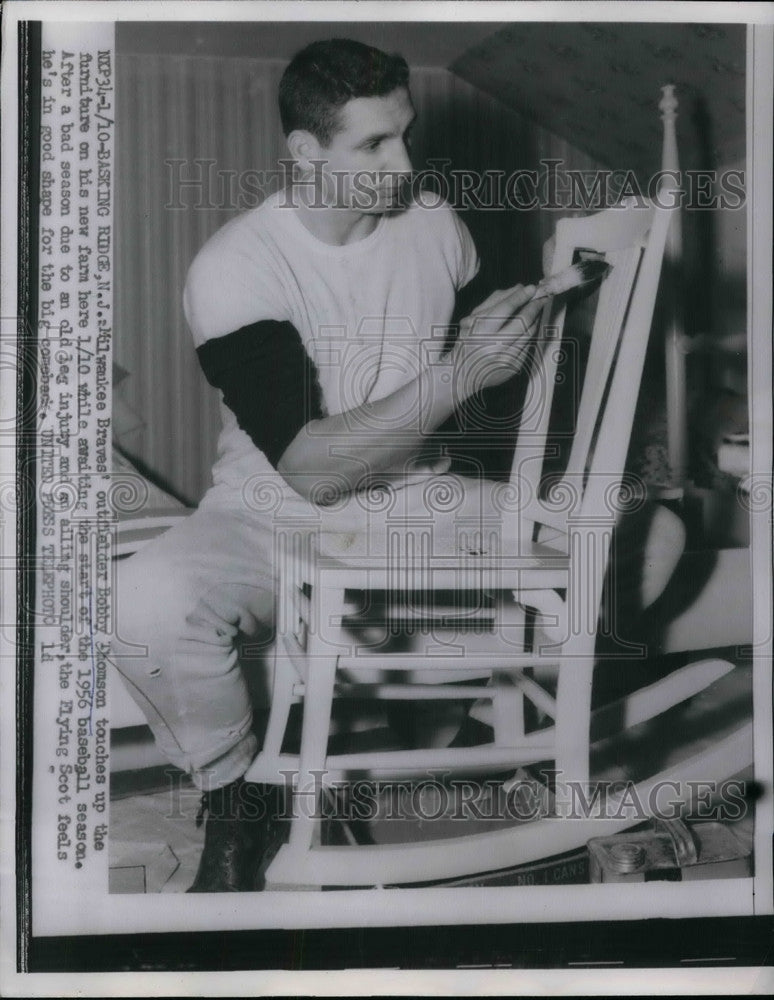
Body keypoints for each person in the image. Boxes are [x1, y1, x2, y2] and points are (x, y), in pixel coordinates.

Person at [113, 37, 547, 893]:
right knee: (142, 600)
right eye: (375, 144)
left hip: (420, 502)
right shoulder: (235, 266)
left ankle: (485, 737)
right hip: (271, 514)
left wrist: (520, 331)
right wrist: (462, 371)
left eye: (405, 135)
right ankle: (238, 796)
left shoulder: (438, 226)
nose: (406, 164)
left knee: (645, 531)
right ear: (306, 150)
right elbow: (312, 471)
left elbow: (481, 384)